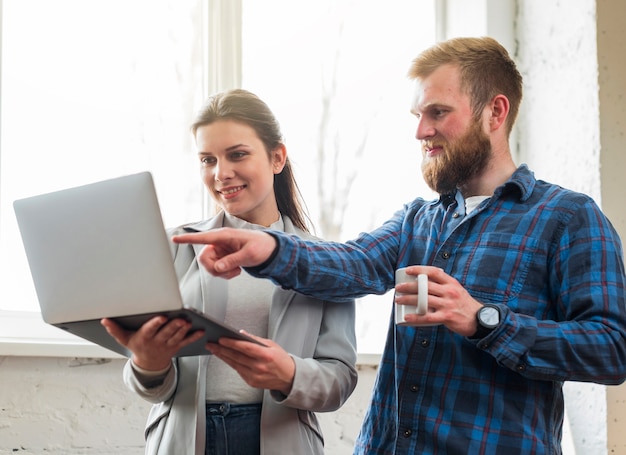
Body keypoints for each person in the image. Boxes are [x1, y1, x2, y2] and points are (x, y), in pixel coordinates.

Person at [172, 37, 626, 454]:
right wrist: (268, 249)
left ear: (495, 112)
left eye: (438, 113)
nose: (421, 131)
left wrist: (484, 320)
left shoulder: (567, 218)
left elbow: (612, 349)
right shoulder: (417, 220)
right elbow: (351, 264)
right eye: (418, 117)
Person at [101, 89, 358, 455]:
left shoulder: (323, 259)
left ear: (277, 158)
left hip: (278, 439)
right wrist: (148, 362)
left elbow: (341, 378)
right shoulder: (173, 246)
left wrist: (288, 373)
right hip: (185, 439)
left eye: (237, 154)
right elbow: (150, 387)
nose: (221, 173)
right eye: (208, 159)